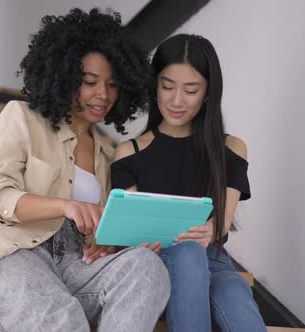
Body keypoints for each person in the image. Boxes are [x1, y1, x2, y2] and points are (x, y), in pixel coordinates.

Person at [0, 8, 170, 332]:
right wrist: (65, 206)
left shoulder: (110, 153)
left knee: (147, 267)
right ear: (65, 76)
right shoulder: (21, 118)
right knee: (63, 318)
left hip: (74, 264)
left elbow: (102, 231)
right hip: (10, 256)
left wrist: (117, 243)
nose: (103, 95)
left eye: (113, 85)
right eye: (89, 82)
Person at [111, 34, 267, 332]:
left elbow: (222, 222)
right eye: (167, 87)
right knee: (188, 252)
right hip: (157, 263)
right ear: (154, 86)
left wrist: (209, 230)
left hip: (214, 261)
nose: (177, 100)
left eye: (191, 90)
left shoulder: (231, 149)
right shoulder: (129, 152)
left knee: (233, 291)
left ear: (208, 93)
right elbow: (131, 234)